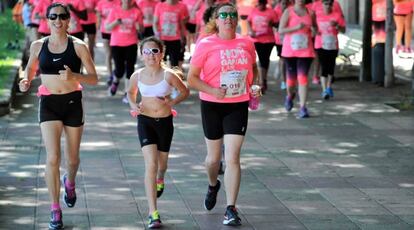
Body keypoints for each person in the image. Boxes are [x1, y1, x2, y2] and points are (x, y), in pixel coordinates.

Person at [18, 3, 98, 229]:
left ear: (68, 20)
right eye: (53, 16)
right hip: (49, 103)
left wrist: (75, 76)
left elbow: (93, 78)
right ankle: (55, 208)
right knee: (53, 157)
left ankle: (70, 182)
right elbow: (31, 69)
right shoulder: (38, 45)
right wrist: (26, 81)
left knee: (72, 159)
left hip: (72, 103)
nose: (57, 20)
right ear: (47, 19)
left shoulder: (79, 46)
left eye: (62, 17)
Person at [187, 3, 259, 226]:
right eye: (223, 15)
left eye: (232, 15)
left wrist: (254, 86)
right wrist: (213, 91)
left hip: (237, 104)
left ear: (237, 20)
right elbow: (192, 78)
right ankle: (212, 184)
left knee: (233, 158)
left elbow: (253, 69)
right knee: (212, 160)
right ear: (216, 20)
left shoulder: (246, 42)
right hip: (212, 105)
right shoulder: (205, 44)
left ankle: (231, 208)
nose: (228, 18)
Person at [127, 36, 189, 229]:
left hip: (164, 122)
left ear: (161, 54)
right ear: (142, 55)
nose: (151, 55)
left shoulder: (168, 75)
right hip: (145, 121)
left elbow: (185, 91)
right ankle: (153, 213)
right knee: (151, 165)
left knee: (162, 164)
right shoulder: (137, 75)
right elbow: (130, 93)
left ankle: (161, 178)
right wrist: (133, 105)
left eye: (155, 51)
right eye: (147, 51)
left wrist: (172, 102)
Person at [279, 0, 316, 118]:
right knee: (291, 81)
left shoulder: (311, 13)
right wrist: (296, 27)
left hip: (306, 51)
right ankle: (290, 96)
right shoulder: (288, 12)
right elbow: (281, 30)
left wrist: (314, 30)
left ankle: (303, 107)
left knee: (303, 78)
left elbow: (316, 30)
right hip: (290, 51)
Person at [105, 0, 143, 102]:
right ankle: (115, 81)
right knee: (119, 69)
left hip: (131, 43)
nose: (127, 1)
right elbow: (107, 27)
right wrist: (116, 22)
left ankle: (127, 93)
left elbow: (142, 29)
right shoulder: (115, 10)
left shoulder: (137, 12)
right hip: (116, 43)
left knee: (130, 68)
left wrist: (139, 27)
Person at [314, 0, 345, 99]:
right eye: (325, 4)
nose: (327, 6)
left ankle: (329, 87)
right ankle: (324, 90)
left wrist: (336, 25)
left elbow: (343, 30)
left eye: (329, 4)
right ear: (322, 4)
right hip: (320, 44)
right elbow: (312, 27)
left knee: (331, 66)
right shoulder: (318, 16)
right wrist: (315, 32)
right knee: (324, 66)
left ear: (332, 5)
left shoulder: (337, 16)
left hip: (333, 44)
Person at [247, 0, 277, 94]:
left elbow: (277, 24)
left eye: (262, 4)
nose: (260, 6)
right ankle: (262, 82)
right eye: (259, 4)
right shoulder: (254, 11)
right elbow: (248, 21)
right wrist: (250, 31)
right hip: (257, 40)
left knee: (265, 60)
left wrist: (271, 24)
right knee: (261, 59)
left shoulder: (271, 12)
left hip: (269, 40)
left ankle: (263, 79)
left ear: (265, 4)